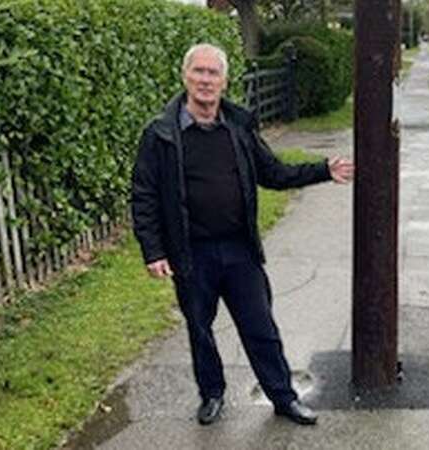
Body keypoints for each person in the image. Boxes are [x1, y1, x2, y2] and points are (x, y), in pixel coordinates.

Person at [130, 43, 354, 426]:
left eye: (212, 73)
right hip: (191, 254)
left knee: (260, 328)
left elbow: (273, 172)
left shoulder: (238, 125)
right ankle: (212, 394)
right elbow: (144, 194)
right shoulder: (161, 134)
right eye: (198, 72)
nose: (205, 80)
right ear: (185, 77)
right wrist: (153, 251)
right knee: (200, 330)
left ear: (224, 81)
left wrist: (322, 170)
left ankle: (283, 398)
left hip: (239, 250)